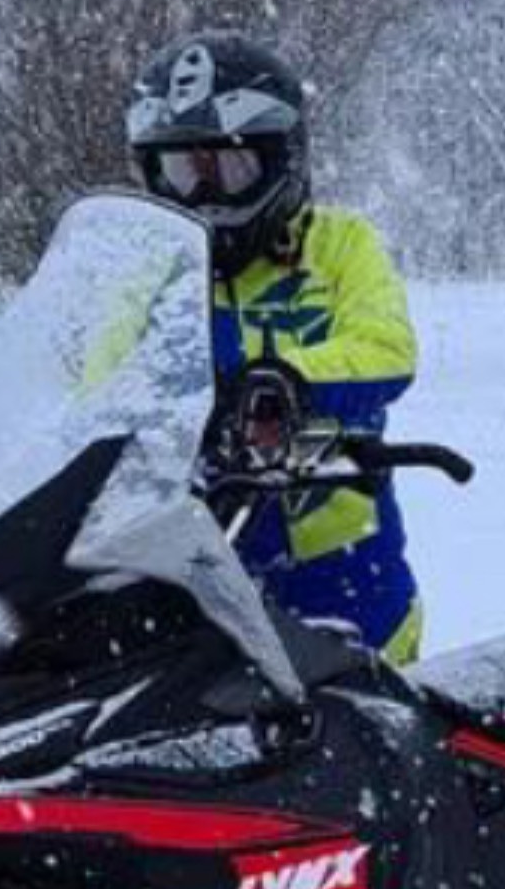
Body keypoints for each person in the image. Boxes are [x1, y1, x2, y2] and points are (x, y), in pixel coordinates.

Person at [124, 32, 432, 664]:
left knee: (367, 720)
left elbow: (385, 346)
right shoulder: (147, 275)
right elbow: (90, 378)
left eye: (229, 170)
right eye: (184, 173)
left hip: (343, 576)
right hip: (189, 566)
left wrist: (286, 380)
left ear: (282, 160)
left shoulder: (341, 244)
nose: (206, 196)